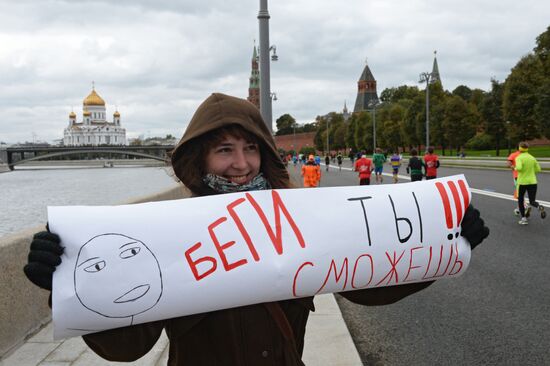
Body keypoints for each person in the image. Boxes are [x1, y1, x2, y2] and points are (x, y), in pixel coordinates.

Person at [23, 93, 490, 366]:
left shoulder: (298, 217)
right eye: (224, 150)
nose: (241, 164)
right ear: (200, 159)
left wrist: (443, 240)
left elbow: (366, 286)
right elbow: (129, 346)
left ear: (265, 152)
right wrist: (69, 282)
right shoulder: (164, 233)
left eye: (250, 148)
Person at [515, 142, 546, 225]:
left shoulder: (519, 158)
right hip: (533, 182)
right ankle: (539, 206)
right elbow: (538, 169)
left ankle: (524, 219)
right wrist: (531, 173)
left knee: (520, 200)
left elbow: (519, 168)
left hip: (522, 182)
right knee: (532, 201)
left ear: (519, 148)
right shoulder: (532, 158)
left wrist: (514, 167)